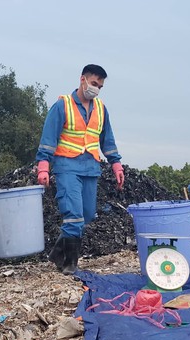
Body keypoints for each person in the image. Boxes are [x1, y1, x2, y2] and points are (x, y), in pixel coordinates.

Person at [35, 64, 124, 275]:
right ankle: (69, 264)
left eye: (100, 86)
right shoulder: (62, 105)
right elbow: (49, 138)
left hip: (90, 168)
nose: (96, 89)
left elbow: (107, 139)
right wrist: (43, 167)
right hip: (67, 167)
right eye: (94, 84)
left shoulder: (101, 109)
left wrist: (116, 164)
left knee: (87, 215)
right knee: (73, 215)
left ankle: (57, 252)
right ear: (82, 79)